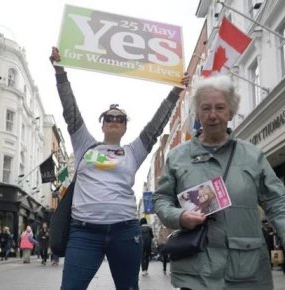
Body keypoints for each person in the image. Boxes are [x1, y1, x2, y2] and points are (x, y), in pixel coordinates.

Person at [49, 47, 189, 290]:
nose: (114, 121)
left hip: (125, 233)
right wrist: (60, 71)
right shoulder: (85, 144)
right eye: (109, 118)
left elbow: (155, 126)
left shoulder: (133, 151)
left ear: (125, 126)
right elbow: (70, 110)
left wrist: (176, 91)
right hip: (84, 234)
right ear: (102, 124)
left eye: (120, 118)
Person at [152, 75, 285, 290]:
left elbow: (277, 201)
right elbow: (161, 199)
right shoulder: (178, 156)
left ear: (231, 112)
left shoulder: (252, 155)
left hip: (246, 268)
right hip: (196, 269)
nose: (213, 115)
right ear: (198, 113)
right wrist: (179, 216)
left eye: (220, 108)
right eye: (206, 108)